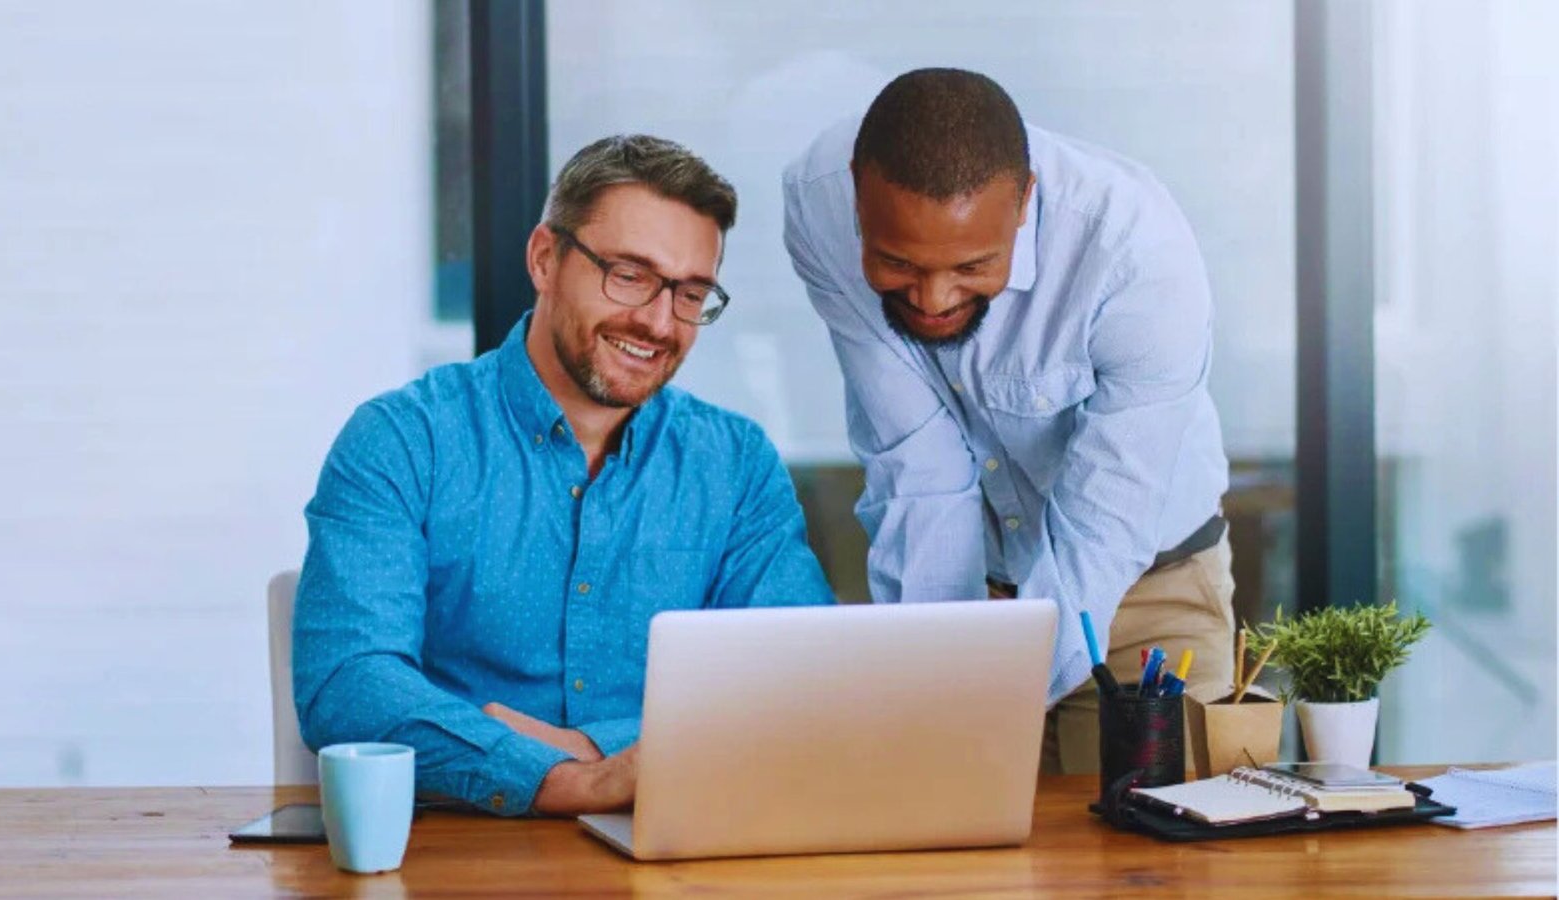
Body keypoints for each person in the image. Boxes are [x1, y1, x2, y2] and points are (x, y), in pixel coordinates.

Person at [295, 134, 834, 816]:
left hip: (675, 852)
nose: (659, 321)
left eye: (690, 293)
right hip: (455, 859)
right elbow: (348, 683)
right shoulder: (404, 441)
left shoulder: (735, 466)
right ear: (546, 259)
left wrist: (590, 747)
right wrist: (559, 780)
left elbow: (799, 681)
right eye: (630, 276)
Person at [783, 68, 1234, 774]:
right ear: (855, 192)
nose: (932, 298)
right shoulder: (816, 204)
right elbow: (917, 466)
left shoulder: (1137, 256)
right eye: (897, 264)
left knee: (1144, 871)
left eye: (971, 267)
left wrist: (982, 693)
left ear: (1024, 201)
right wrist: (944, 674)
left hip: (1145, 593)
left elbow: (1104, 527)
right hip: (968, 594)